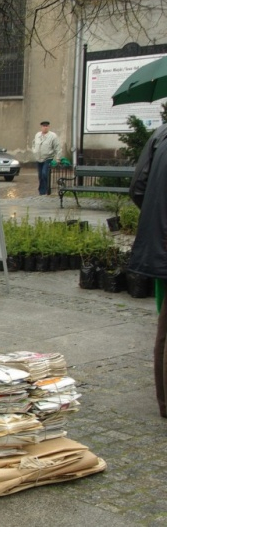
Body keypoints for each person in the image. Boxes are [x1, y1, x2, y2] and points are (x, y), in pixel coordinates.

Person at [128, 123, 167, 418]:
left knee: (166, 325)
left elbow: (138, 188)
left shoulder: (161, 134)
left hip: (161, 241)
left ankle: (165, 400)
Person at [32, 120, 62, 196]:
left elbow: (57, 147)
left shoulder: (53, 136)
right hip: (39, 158)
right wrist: (34, 151)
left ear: (48, 127)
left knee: (44, 174)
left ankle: (45, 190)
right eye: (43, 126)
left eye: (46, 126)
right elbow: (33, 143)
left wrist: (58, 158)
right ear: (41, 127)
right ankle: (42, 191)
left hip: (48, 158)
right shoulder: (37, 135)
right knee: (40, 175)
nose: (45, 127)